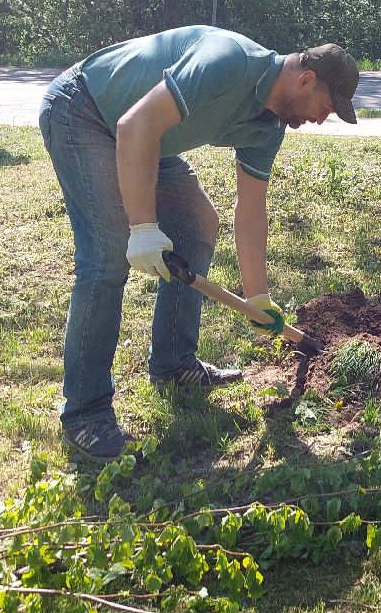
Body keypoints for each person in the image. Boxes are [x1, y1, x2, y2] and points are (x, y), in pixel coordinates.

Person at [39, 26, 360, 462]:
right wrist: (143, 228)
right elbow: (135, 123)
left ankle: (174, 365)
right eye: (325, 108)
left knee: (197, 222)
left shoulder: (268, 127)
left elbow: (250, 212)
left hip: (150, 135)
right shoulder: (227, 62)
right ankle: (85, 413)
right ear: (305, 80)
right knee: (106, 254)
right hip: (86, 111)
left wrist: (258, 297)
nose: (321, 120)